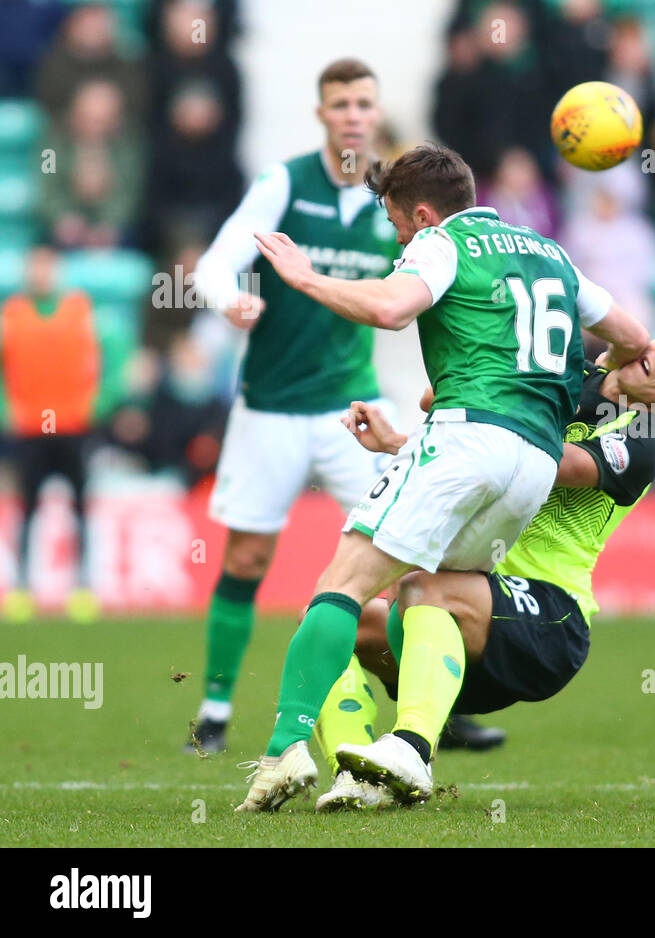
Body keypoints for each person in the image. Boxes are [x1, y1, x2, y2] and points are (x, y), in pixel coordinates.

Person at [236, 142, 649, 812]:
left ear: (424, 212)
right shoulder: (549, 251)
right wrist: (572, 383)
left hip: (467, 436)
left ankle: (286, 748)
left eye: (399, 225)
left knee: (339, 586)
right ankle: (393, 757)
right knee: (425, 590)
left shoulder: (441, 242)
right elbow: (632, 334)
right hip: (533, 462)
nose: (400, 239)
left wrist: (305, 278)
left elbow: (392, 310)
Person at [311, 324, 655, 810]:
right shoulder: (566, 370)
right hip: (466, 616)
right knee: (330, 618)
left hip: (549, 622)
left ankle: (412, 750)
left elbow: (544, 462)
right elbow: (440, 399)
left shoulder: (639, 443)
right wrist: (405, 441)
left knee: (423, 588)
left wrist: (527, 382)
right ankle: (356, 778)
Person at [186, 59, 400, 755]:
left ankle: (435, 707)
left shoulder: (390, 199)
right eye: (340, 102)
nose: (353, 114)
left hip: (352, 412)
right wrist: (230, 300)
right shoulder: (285, 183)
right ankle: (215, 710)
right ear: (321, 114)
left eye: (363, 102)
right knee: (247, 558)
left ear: (375, 112)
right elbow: (216, 262)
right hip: (271, 407)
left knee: (407, 553)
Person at [0, 245, 102, 623]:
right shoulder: (12, 315)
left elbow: (114, 357)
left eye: (47, 267)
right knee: (27, 511)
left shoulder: (81, 310)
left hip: (73, 427)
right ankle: (22, 589)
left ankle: (83, 588)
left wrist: (98, 402)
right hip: (30, 429)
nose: (40, 274)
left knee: (78, 509)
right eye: (35, 267)